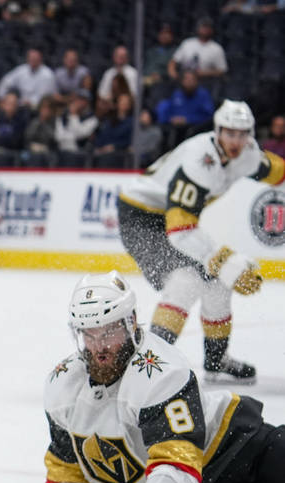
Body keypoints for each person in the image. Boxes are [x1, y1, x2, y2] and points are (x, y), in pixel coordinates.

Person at [0, 272, 285, 483]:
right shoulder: (64, 387)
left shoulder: (159, 371)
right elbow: (67, 464)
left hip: (243, 447)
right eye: (89, 334)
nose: (100, 347)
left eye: (109, 332)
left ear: (130, 323)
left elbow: (179, 463)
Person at [116, 100, 285, 383]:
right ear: (218, 130)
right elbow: (180, 231)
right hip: (140, 217)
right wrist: (223, 260)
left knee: (218, 284)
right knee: (185, 281)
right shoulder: (199, 159)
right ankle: (150, 365)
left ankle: (216, 358)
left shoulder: (248, 155)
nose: (236, 141)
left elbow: (279, 172)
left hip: (172, 220)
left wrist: (221, 266)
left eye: (242, 134)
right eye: (230, 133)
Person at [155, 70, 214, 150]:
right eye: (187, 79)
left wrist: (188, 119)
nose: (189, 82)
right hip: (175, 130)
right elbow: (167, 110)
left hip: (194, 130)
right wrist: (170, 119)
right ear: (182, 81)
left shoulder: (203, 95)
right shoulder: (177, 94)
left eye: (192, 79)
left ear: (197, 81)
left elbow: (208, 116)